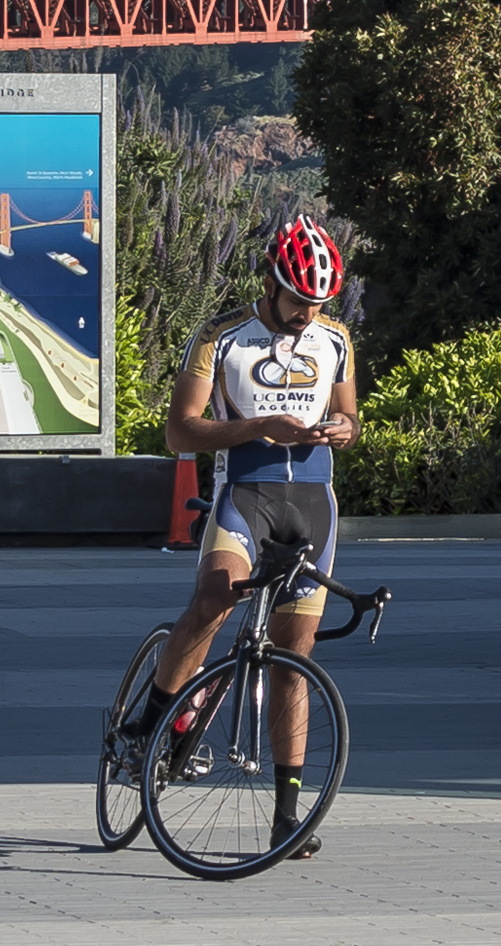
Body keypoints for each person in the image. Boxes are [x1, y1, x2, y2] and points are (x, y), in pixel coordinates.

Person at [125, 215, 361, 857]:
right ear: (270, 279)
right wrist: (258, 430)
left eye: (318, 303)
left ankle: (288, 815)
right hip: (245, 497)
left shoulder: (334, 338)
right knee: (213, 598)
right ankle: (151, 723)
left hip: (314, 504)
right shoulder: (221, 336)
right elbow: (180, 431)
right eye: (296, 300)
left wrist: (341, 427)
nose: (306, 314)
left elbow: (349, 413)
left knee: (297, 655)